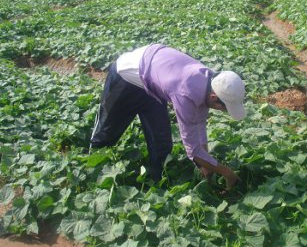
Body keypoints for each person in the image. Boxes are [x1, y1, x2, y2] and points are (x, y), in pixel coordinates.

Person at [90, 43, 246, 190]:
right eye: (224, 108)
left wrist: (205, 164)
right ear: (214, 97)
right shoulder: (186, 93)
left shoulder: (210, 83)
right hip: (126, 75)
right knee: (106, 133)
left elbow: (199, 123)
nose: (222, 111)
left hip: (152, 81)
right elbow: (193, 150)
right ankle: (90, 172)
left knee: (161, 144)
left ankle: (156, 186)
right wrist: (226, 172)